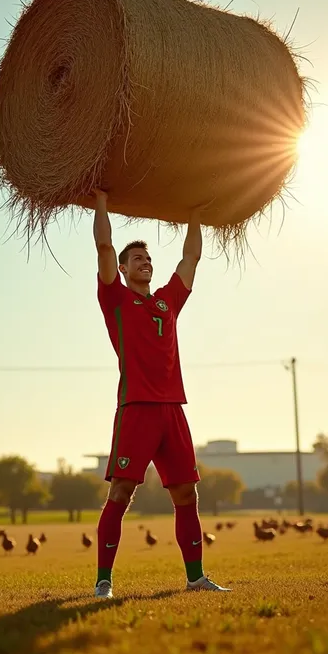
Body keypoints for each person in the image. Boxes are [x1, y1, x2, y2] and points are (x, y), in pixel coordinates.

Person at [93, 189, 231, 598]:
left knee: (187, 493)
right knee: (120, 491)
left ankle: (196, 578)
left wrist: (194, 213)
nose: (146, 263)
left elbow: (190, 259)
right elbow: (103, 244)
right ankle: (104, 582)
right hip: (136, 408)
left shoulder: (167, 302)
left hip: (173, 410)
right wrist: (100, 201)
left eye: (149, 259)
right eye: (137, 259)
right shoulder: (114, 298)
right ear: (122, 268)